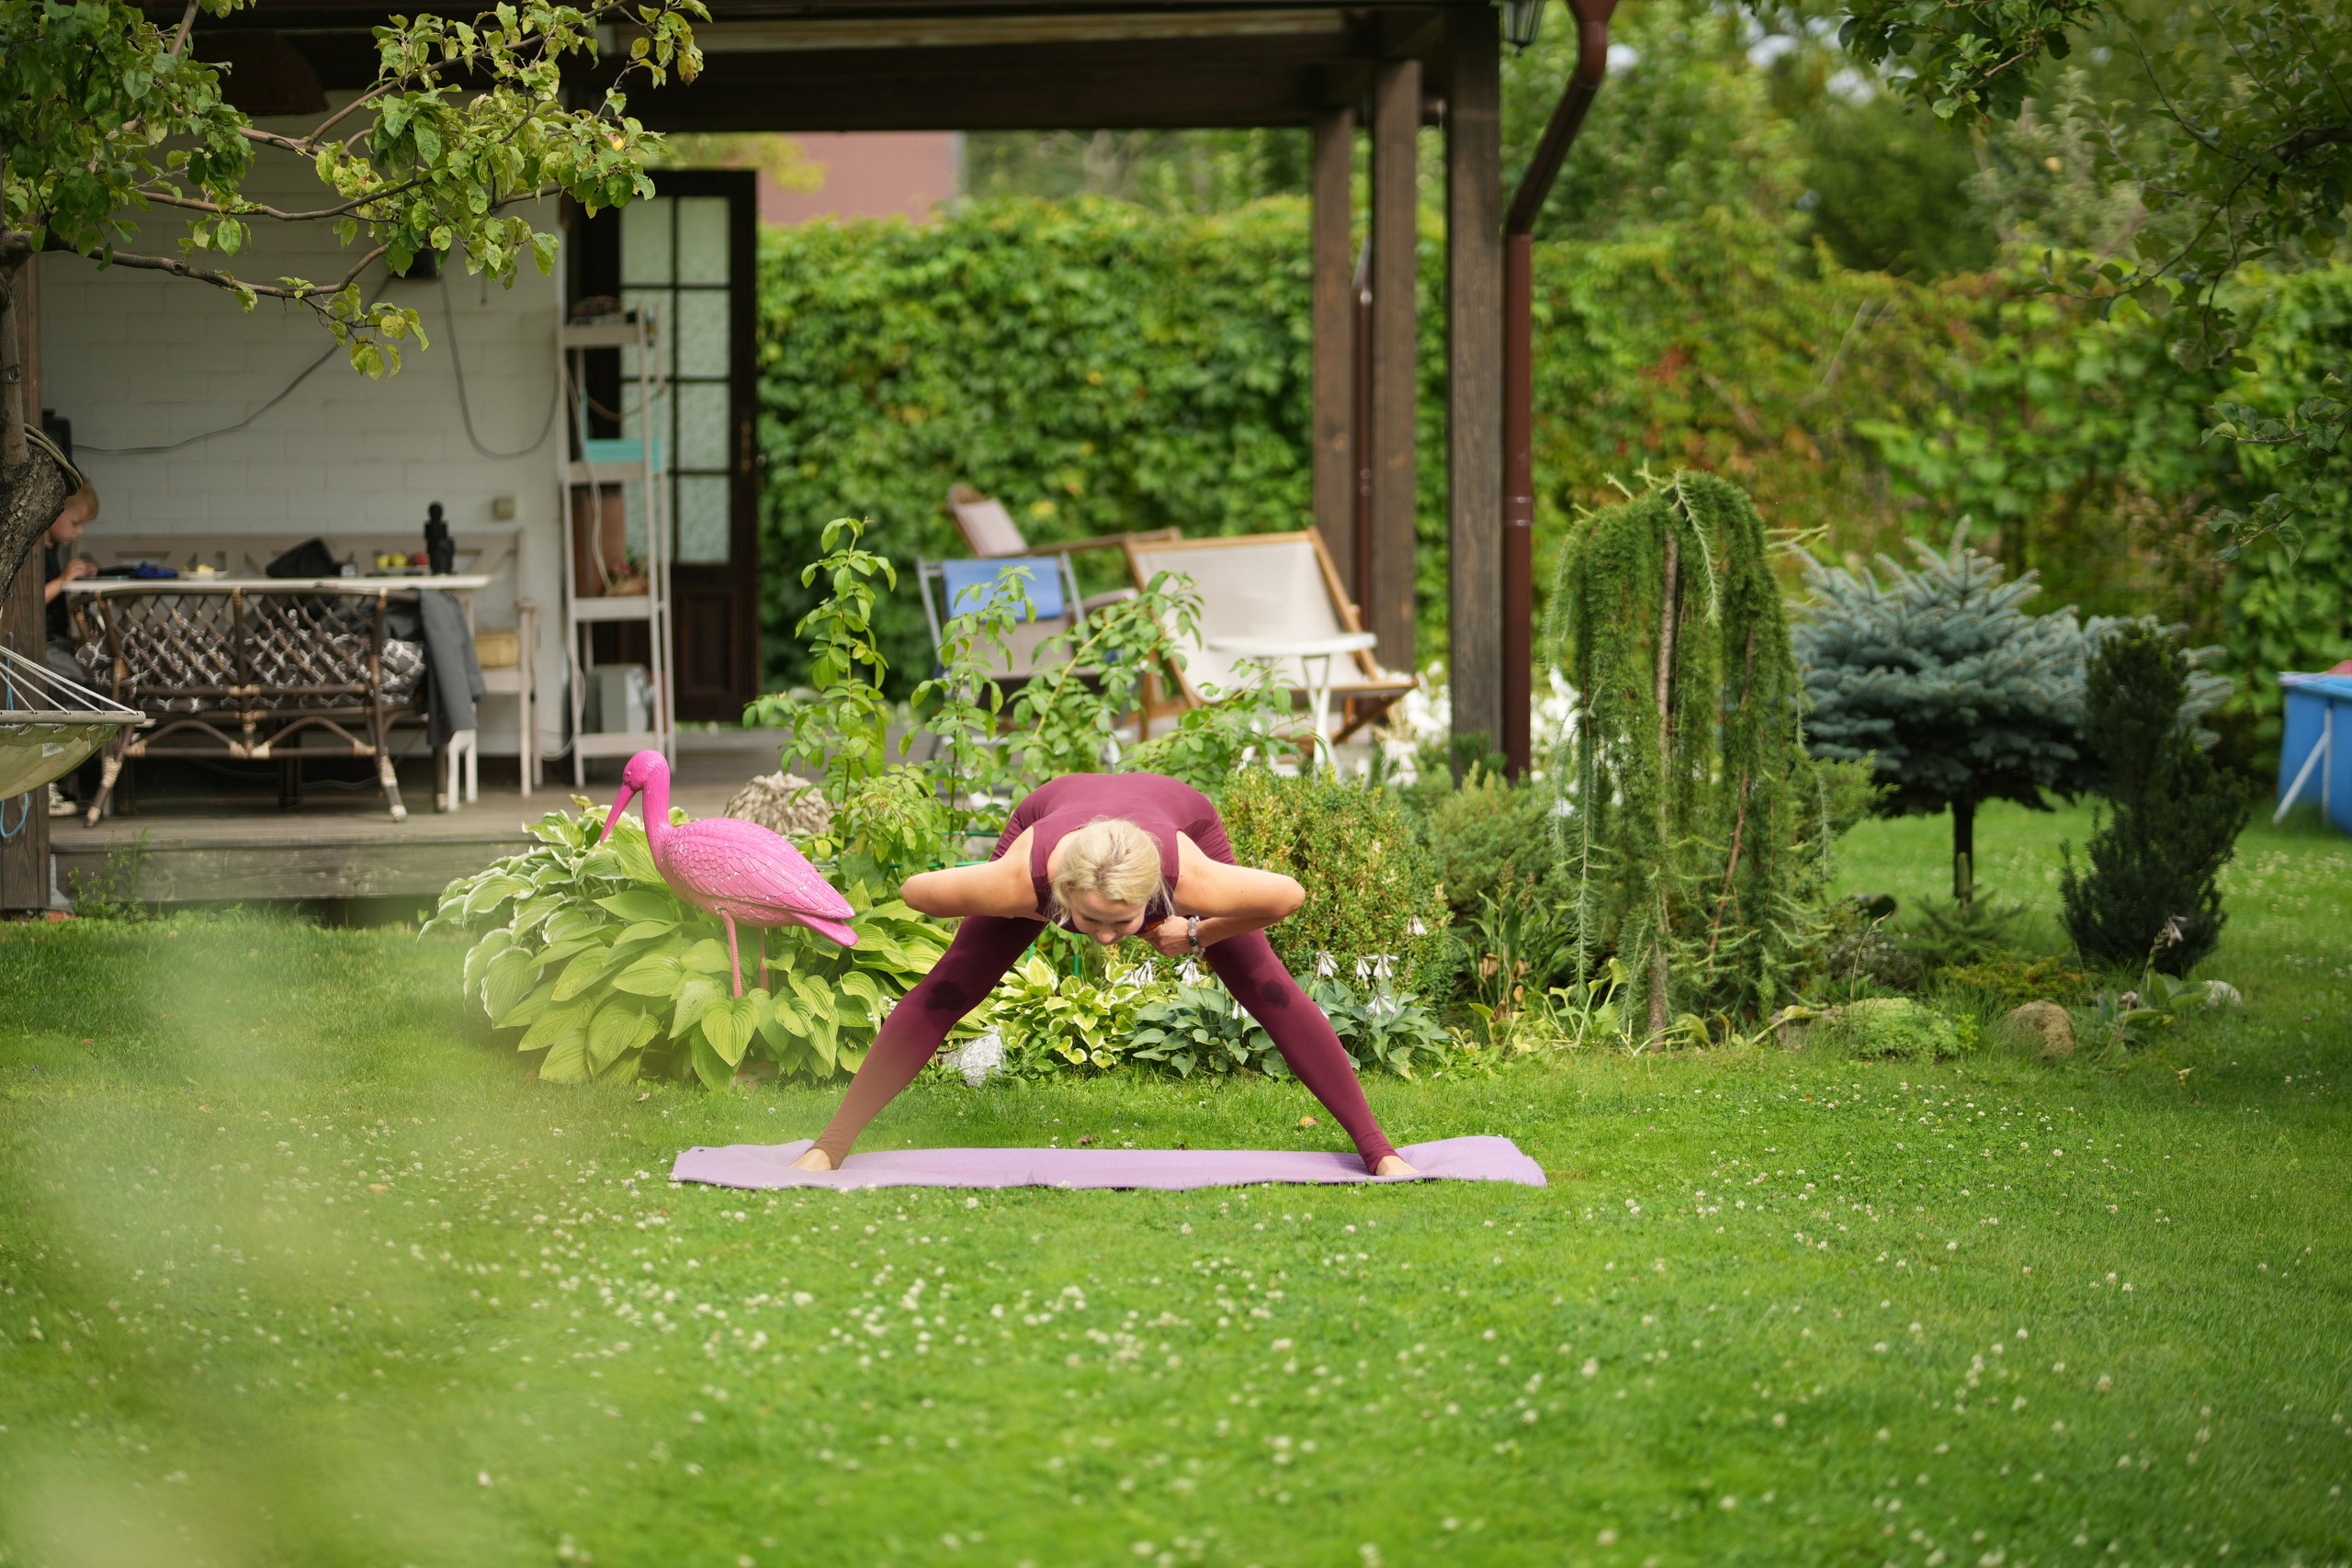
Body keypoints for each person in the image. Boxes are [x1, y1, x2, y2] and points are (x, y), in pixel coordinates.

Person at [792, 772, 1419, 1177]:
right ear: (1062, 895)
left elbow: (1286, 895)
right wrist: (1020, 904)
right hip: (1050, 817)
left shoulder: (1186, 872)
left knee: (1266, 984)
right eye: (1092, 920)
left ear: (1156, 895)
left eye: (1127, 922)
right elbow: (916, 890)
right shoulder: (1024, 877)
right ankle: (831, 1143)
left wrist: (1199, 931)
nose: (1110, 938)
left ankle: (1378, 1149)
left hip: (1178, 817)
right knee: (951, 985)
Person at [39, 462, 101, 817]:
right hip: (40, 644)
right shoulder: (34, 551)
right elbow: (30, 600)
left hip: (57, 641)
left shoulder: (54, 551)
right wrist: (63, 580)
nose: (78, 532)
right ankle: (48, 779)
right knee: (74, 690)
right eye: (75, 523)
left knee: (90, 685)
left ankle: (61, 780)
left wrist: (77, 576)